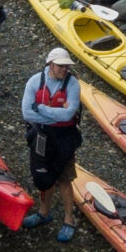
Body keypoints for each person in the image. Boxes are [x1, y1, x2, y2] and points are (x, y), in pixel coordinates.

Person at [21, 45, 82, 240]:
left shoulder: (73, 85)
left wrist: (41, 110)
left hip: (65, 137)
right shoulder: (34, 82)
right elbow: (26, 113)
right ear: (50, 64)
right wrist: (55, 116)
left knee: (65, 179)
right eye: (60, 66)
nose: (64, 70)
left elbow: (69, 113)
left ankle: (68, 220)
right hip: (42, 136)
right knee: (43, 177)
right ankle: (44, 213)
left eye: (66, 66)